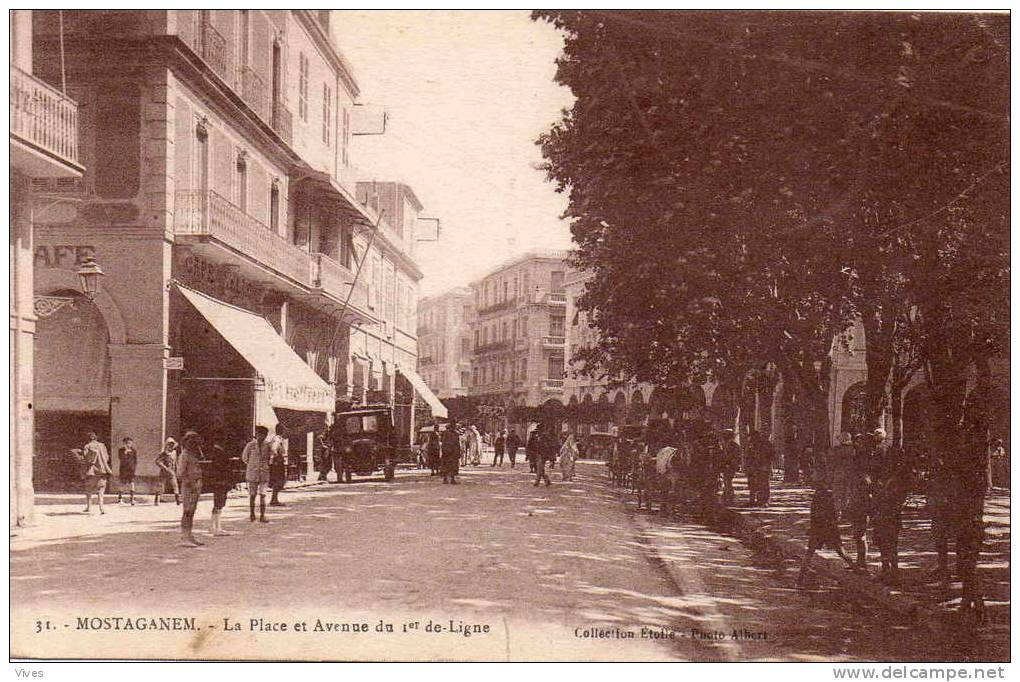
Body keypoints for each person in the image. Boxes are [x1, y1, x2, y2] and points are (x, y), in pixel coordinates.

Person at [797, 481, 856, 586]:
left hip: (820, 530)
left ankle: (801, 576)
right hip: (828, 529)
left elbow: (816, 516)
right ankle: (855, 567)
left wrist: (812, 528)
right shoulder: (828, 497)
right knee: (840, 551)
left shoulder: (818, 498)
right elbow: (830, 516)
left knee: (810, 552)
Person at [847, 431, 879, 572]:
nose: (857, 444)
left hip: (865, 499)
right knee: (858, 532)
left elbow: (868, 480)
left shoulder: (869, 459)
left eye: (860, 442)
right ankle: (860, 561)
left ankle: (863, 563)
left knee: (861, 532)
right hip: (857, 497)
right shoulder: (858, 457)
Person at [176, 430, 204, 547]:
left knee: (192, 512)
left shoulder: (194, 454)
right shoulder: (184, 455)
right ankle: (184, 537)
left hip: (196, 485)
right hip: (188, 486)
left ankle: (190, 535)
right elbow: (180, 473)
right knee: (187, 511)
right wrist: (190, 483)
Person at [206, 443, 235, 536]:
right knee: (219, 504)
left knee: (218, 504)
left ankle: (213, 526)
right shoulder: (220, 454)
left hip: (219, 482)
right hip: (221, 482)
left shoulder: (216, 453)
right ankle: (216, 527)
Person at [243, 426, 271, 523]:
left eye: (264, 435)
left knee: (263, 495)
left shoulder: (268, 445)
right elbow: (244, 458)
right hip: (253, 472)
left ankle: (263, 515)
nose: (261, 437)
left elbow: (270, 457)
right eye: (259, 434)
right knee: (252, 495)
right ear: (257, 434)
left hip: (264, 472)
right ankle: (252, 514)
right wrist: (252, 465)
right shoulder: (250, 445)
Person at [81, 432, 112, 514]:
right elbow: (107, 458)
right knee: (101, 490)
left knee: (88, 490)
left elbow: (86, 459)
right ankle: (102, 508)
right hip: (101, 471)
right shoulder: (102, 445)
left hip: (91, 471)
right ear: (96, 438)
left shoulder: (87, 446)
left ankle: (89, 507)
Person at [829, 432, 855, 518]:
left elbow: (832, 463)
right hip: (850, 473)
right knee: (848, 492)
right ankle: (846, 512)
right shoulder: (853, 449)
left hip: (839, 472)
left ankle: (838, 512)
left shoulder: (836, 449)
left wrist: (831, 474)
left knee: (837, 493)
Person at [154, 437, 180, 506]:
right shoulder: (163, 453)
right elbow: (157, 461)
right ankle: (157, 499)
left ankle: (177, 500)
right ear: (166, 445)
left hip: (172, 471)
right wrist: (165, 468)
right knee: (160, 485)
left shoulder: (174, 453)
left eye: (172, 445)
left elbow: (175, 462)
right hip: (164, 472)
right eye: (169, 445)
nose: (170, 446)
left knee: (175, 485)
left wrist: (176, 469)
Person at [718, 430, 740, 505]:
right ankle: (726, 496)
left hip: (730, 465)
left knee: (727, 481)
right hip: (727, 465)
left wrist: (729, 464)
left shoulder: (732, 445)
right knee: (727, 481)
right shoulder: (728, 444)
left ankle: (729, 497)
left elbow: (734, 456)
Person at [268, 423, 288, 507]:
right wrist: (277, 457)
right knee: (278, 480)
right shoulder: (277, 439)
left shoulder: (279, 439)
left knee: (280, 480)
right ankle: (274, 499)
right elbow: (273, 449)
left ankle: (275, 499)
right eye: (283, 430)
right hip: (277, 463)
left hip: (279, 461)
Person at [116, 436, 138, 505]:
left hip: (131, 470)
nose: (129, 444)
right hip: (123, 470)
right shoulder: (121, 450)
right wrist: (125, 452)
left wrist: (134, 468)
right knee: (122, 484)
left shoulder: (134, 450)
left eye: (130, 443)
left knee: (132, 483)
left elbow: (135, 460)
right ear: (124, 443)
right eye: (127, 443)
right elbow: (121, 458)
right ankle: (120, 499)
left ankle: (132, 499)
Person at [440, 419, 461, 484]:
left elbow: (443, 442)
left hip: (448, 452)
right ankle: (450, 479)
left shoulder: (446, 433)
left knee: (447, 465)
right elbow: (457, 444)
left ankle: (447, 479)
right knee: (452, 465)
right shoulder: (455, 434)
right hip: (451, 452)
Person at [531, 423, 552, 487]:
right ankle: (547, 480)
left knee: (540, 468)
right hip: (539, 454)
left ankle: (537, 482)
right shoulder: (539, 436)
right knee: (541, 468)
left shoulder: (544, 437)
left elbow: (546, 446)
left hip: (542, 454)